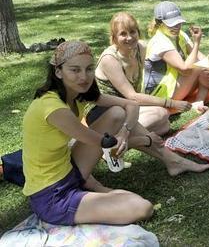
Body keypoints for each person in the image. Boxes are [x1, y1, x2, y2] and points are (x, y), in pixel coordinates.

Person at [22, 41, 154, 226]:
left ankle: (92, 188)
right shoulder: (52, 107)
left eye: (89, 69)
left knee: (116, 112)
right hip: (53, 196)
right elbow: (103, 143)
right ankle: (93, 190)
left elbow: (131, 104)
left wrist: (125, 132)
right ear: (58, 72)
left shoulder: (79, 95)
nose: (84, 77)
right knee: (143, 207)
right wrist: (145, 139)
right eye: (75, 70)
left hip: (69, 170)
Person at [93, 12, 203, 136]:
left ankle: (128, 135)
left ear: (138, 32)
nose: (129, 38)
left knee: (164, 124)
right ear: (114, 37)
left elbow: (163, 49)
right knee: (160, 115)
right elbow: (132, 96)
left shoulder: (141, 48)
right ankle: (117, 135)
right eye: (123, 34)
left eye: (132, 32)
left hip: (128, 106)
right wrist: (172, 103)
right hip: (106, 111)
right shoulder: (110, 59)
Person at [143, 1, 209, 103]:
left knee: (207, 67)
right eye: (171, 24)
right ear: (159, 23)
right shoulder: (159, 41)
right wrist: (196, 43)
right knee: (200, 67)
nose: (176, 27)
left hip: (176, 85)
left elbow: (202, 59)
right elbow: (185, 70)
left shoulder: (180, 35)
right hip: (160, 95)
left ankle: (199, 101)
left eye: (178, 23)